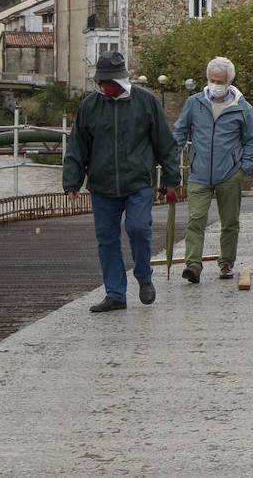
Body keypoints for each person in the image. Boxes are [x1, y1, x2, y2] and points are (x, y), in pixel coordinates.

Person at [63, 52, 181, 313]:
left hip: (138, 181)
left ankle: (144, 277)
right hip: (102, 185)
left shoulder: (146, 102)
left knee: (138, 228)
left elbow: (165, 143)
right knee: (106, 239)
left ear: (122, 81)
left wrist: (172, 179)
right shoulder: (89, 106)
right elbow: (77, 146)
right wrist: (72, 181)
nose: (105, 88)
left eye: (109, 83)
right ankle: (115, 294)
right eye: (101, 83)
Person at [171, 56, 253, 284]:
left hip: (229, 174)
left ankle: (226, 263)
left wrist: (243, 166)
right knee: (195, 219)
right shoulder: (194, 102)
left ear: (229, 81)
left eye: (220, 80)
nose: (215, 84)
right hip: (199, 173)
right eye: (212, 79)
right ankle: (193, 265)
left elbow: (251, 140)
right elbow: (180, 130)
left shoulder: (243, 108)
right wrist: (172, 156)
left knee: (229, 222)